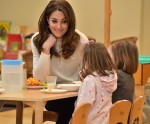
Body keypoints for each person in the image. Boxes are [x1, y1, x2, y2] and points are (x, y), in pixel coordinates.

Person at [31, 0, 89, 124]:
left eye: (64, 21)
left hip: (75, 94)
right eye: (54, 21)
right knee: (67, 106)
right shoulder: (37, 40)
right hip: (51, 95)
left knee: (73, 104)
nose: (58, 26)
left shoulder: (80, 40)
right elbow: (40, 78)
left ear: (70, 22)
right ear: (47, 20)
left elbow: (87, 71)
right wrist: (45, 50)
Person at [70, 42, 117, 124]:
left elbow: (82, 107)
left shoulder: (90, 80)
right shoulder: (111, 76)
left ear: (87, 60)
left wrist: (72, 121)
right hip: (106, 121)